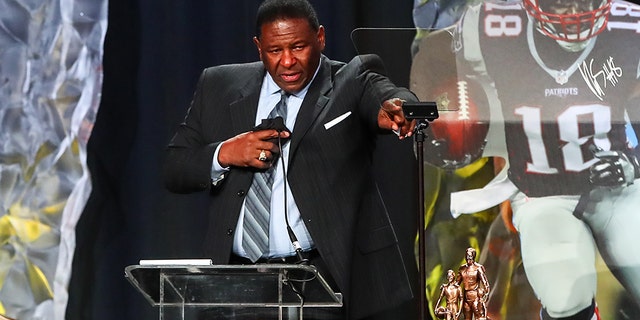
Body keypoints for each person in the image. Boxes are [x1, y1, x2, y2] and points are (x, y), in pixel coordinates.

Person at [162, 0, 419, 319]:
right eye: (274, 50)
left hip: (321, 283)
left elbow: (387, 96)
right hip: (237, 285)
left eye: (298, 47)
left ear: (320, 38)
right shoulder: (219, 85)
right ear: (258, 47)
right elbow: (175, 167)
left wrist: (399, 109)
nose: (287, 61)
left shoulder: (351, 79)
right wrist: (226, 153)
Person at [413, 0, 640, 318]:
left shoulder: (627, 24)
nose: (574, 16)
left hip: (617, 184)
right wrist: (433, 105)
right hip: (541, 189)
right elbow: (435, 50)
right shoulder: (490, 25)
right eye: (562, 6)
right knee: (561, 293)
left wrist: (635, 162)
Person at [457, 248, 490, 320]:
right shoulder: (462, 269)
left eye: (470, 255)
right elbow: (456, 284)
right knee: (467, 318)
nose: (468, 257)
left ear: (473, 256)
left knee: (479, 317)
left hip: (476, 297)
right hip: (466, 297)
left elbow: (485, 283)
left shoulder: (478, 268)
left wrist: (486, 295)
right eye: (467, 255)